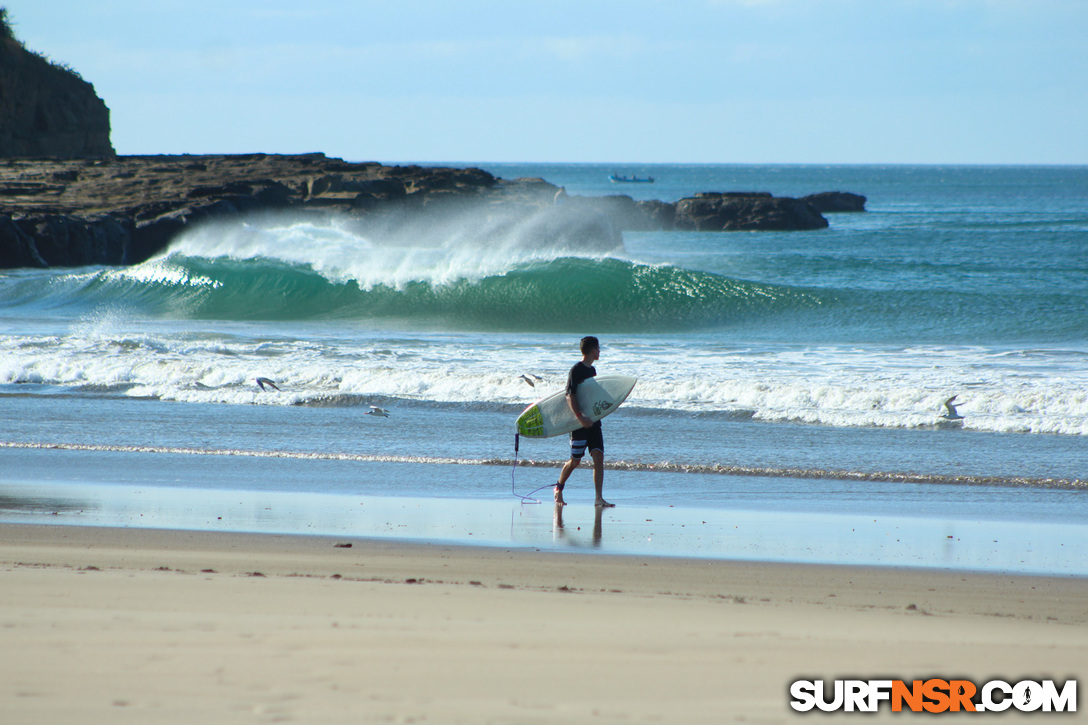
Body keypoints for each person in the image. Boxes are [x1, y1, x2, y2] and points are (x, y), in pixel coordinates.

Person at [554, 336, 614, 508]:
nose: (600, 351)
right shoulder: (576, 370)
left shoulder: (592, 371)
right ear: (593, 350)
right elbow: (569, 395)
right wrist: (580, 417)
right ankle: (558, 488)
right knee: (575, 461)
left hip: (594, 422)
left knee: (599, 458)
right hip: (579, 424)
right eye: (599, 348)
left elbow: (591, 396)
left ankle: (598, 498)